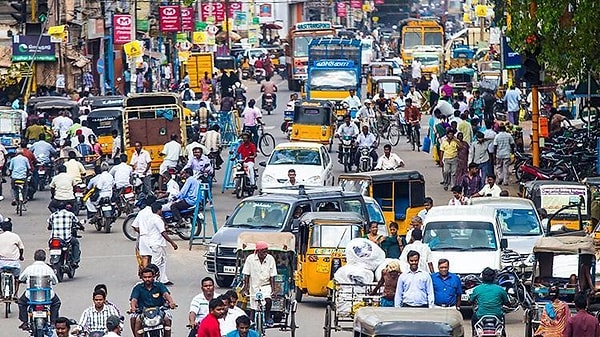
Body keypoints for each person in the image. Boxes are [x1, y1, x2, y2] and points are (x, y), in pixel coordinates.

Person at [18, 249, 61, 329]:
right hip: (47, 296)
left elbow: (21, 278)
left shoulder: (29, 268)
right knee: (56, 303)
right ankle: (52, 322)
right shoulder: (48, 269)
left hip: (31, 296)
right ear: (45, 258)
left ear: (34, 258)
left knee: (21, 303)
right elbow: (55, 281)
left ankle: (25, 322)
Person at [129, 267, 177, 337]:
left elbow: (166, 294)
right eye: (145, 277)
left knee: (167, 319)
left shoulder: (159, 285)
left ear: (153, 276)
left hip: (159, 310)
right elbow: (134, 299)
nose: (147, 279)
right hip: (142, 311)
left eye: (149, 277)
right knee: (135, 319)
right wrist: (133, 307)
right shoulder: (138, 287)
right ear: (142, 278)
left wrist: (171, 302)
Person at [241, 241, 277, 327]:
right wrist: (246, 288)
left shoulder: (270, 258)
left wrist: (273, 289)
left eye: (266, 251)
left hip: (266, 285)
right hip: (254, 285)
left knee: (268, 299)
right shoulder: (250, 258)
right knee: (253, 305)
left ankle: (268, 316)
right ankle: (252, 319)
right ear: (258, 251)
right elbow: (246, 274)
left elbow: (272, 276)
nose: (265, 253)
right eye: (263, 251)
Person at [469, 267, 510, 335]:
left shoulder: (477, 289)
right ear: (494, 277)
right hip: (497, 315)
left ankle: (474, 334)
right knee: (502, 327)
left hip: (480, 315)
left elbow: (470, 301)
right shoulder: (500, 289)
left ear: (482, 277)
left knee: (474, 322)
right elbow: (507, 303)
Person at [145, 202, 178, 284]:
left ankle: (163, 279)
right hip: (157, 243)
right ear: (159, 210)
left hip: (155, 242)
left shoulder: (150, 218)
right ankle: (153, 280)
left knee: (162, 261)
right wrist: (172, 243)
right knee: (156, 262)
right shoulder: (157, 219)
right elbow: (163, 232)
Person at [47, 202, 81, 267]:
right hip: (66, 239)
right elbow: (77, 222)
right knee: (76, 243)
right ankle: (75, 261)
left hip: (54, 239)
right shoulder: (70, 214)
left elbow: (49, 225)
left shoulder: (53, 215)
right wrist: (81, 227)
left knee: (51, 246)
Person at [0, 218, 24, 298]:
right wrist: (21, 256)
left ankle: (0, 293)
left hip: (1, 263)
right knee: (17, 278)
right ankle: (16, 294)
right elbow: (21, 248)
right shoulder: (15, 236)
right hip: (14, 263)